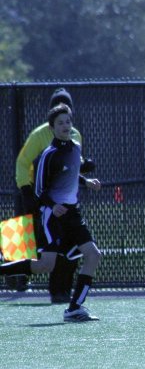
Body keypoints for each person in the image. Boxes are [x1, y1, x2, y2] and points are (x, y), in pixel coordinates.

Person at [1, 103, 102, 322]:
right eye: (60, 123)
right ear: (52, 128)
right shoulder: (48, 154)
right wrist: (52, 205)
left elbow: (71, 174)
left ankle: (74, 308)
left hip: (73, 214)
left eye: (68, 121)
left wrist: (87, 181)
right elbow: (39, 190)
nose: (66, 126)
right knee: (44, 266)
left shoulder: (75, 147)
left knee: (93, 255)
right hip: (53, 216)